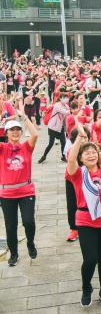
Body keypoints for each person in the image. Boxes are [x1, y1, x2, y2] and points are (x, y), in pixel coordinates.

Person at [66, 119, 101, 308]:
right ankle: (86, 287)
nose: (90, 154)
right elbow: (70, 159)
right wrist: (79, 141)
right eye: (86, 153)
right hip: (85, 220)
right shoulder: (77, 173)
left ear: (99, 155)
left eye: (94, 152)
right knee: (90, 259)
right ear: (81, 158)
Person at [0, 99, 38, 267]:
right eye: (12, 130)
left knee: (28, 221)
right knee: (11, 226)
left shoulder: (26, 147)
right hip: (7, 194)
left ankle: (30, 242)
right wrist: (3, 118)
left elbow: (35, 134)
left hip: (26, 191)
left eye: (17, 130)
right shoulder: (2, 148)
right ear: (6, 133)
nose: (15, 132)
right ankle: (14, 253)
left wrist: (24, 117)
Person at [38, 92, 70, 163]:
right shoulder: (57, 105)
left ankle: (63, 156)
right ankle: (44, 156)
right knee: (51, 143)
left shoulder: (67, 107)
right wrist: (74, 110)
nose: (66, 99)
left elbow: (65, 118)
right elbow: (64, 112)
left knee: (63, 142)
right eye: (64, 98)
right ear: (60, 98)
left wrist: (66, 129)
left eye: (67, 98)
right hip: (53, 126)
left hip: (60, 127)